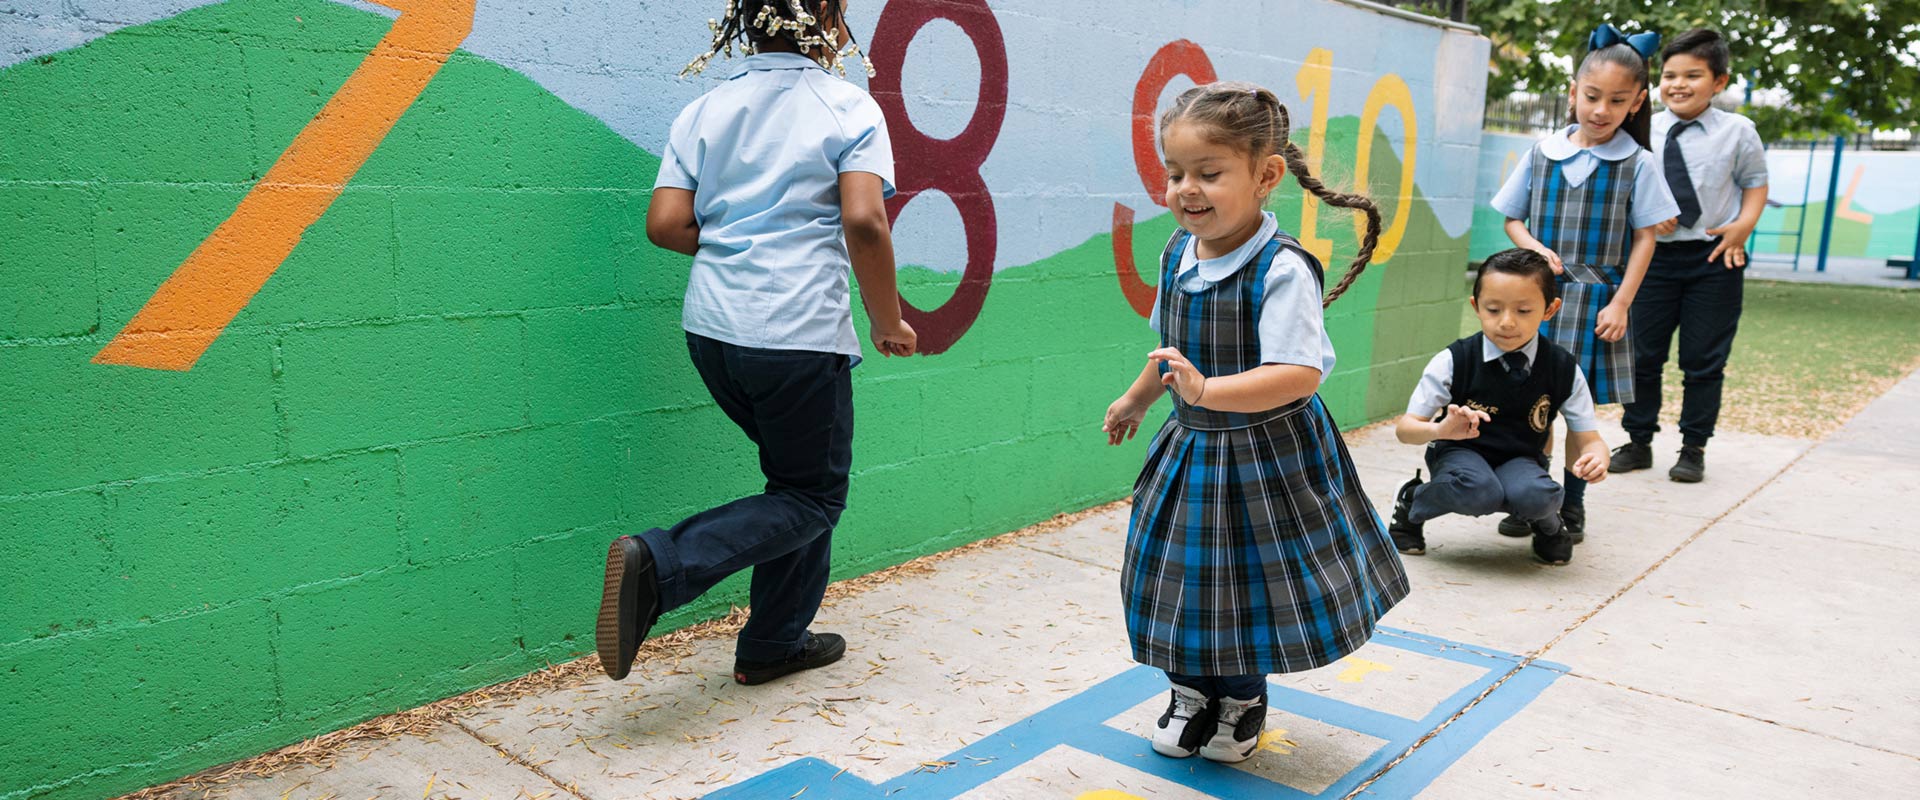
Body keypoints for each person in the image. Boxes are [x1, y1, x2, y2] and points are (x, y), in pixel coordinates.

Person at [596, 0, 917, 686]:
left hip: (713, 333)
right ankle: (664, 562)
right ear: (829, 22)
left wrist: (740, 248)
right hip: (797, 336)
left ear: (742, 22)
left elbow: (665, 224)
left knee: (795, 487)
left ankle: (773, 642)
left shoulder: (705, 110)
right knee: (812, 497)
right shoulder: (846, 107)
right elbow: (865, 219)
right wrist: (887, 319)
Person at [1101, 81, 1408, 765]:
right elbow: (1168, 353)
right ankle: (1188, 693)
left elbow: (1298, 373)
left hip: (1267, 458)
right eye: (1175, 173)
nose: (1187, 189)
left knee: (1242, 588)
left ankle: (1240, 699)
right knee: (1176, 578)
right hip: (1192, 451)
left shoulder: (1281, 268)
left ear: (1267, 175)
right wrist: (1139, 398)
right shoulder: (1178, 253)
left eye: (1210, 173)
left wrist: (1208, 388)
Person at [1489, 24, 1679, 545]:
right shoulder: (1541, 152)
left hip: (1596, 301)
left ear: (1638, 102)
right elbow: (1512, 218)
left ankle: (1571, 507)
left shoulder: (1638, 164)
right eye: (1592, 96)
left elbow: (1646, 238)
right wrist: (1535, 249)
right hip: (1534, 301)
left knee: (1576, 410)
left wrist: (1621, 303)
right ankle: (1531, 496)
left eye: (1617, 101)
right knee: (1528, 404)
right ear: (1574, 92)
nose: (1601, 110)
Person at [1613, 28, 1769, 483]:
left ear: (1719, 82)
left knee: (1704, 360)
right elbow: (1625, 188)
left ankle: (1693, 447)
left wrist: (1743, 226)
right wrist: (1643, 213)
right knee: (1641, 356)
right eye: (1669, 75)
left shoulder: (1738, 131)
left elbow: (1755, 183)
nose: (1678, 84)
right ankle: (1638, 440)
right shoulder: (1640, 127)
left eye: (1693, 76)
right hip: (1651, 260)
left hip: (1713, 258)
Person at [1387, 249, 1610, 565]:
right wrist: (1439, 430)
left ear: (1550, 309)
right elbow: (1405, 430)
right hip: (1460, 455)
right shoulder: (1454, 360)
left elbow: (1589, 438)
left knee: (1538, 495)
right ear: (1476, 306)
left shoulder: (1562, 367)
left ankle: (1548, 526)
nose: (1507, 322)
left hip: (1521, 458)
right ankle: (1412, 502)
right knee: (1479, 490)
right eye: (1493, 309)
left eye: (1523, 310)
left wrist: (1598, 458)